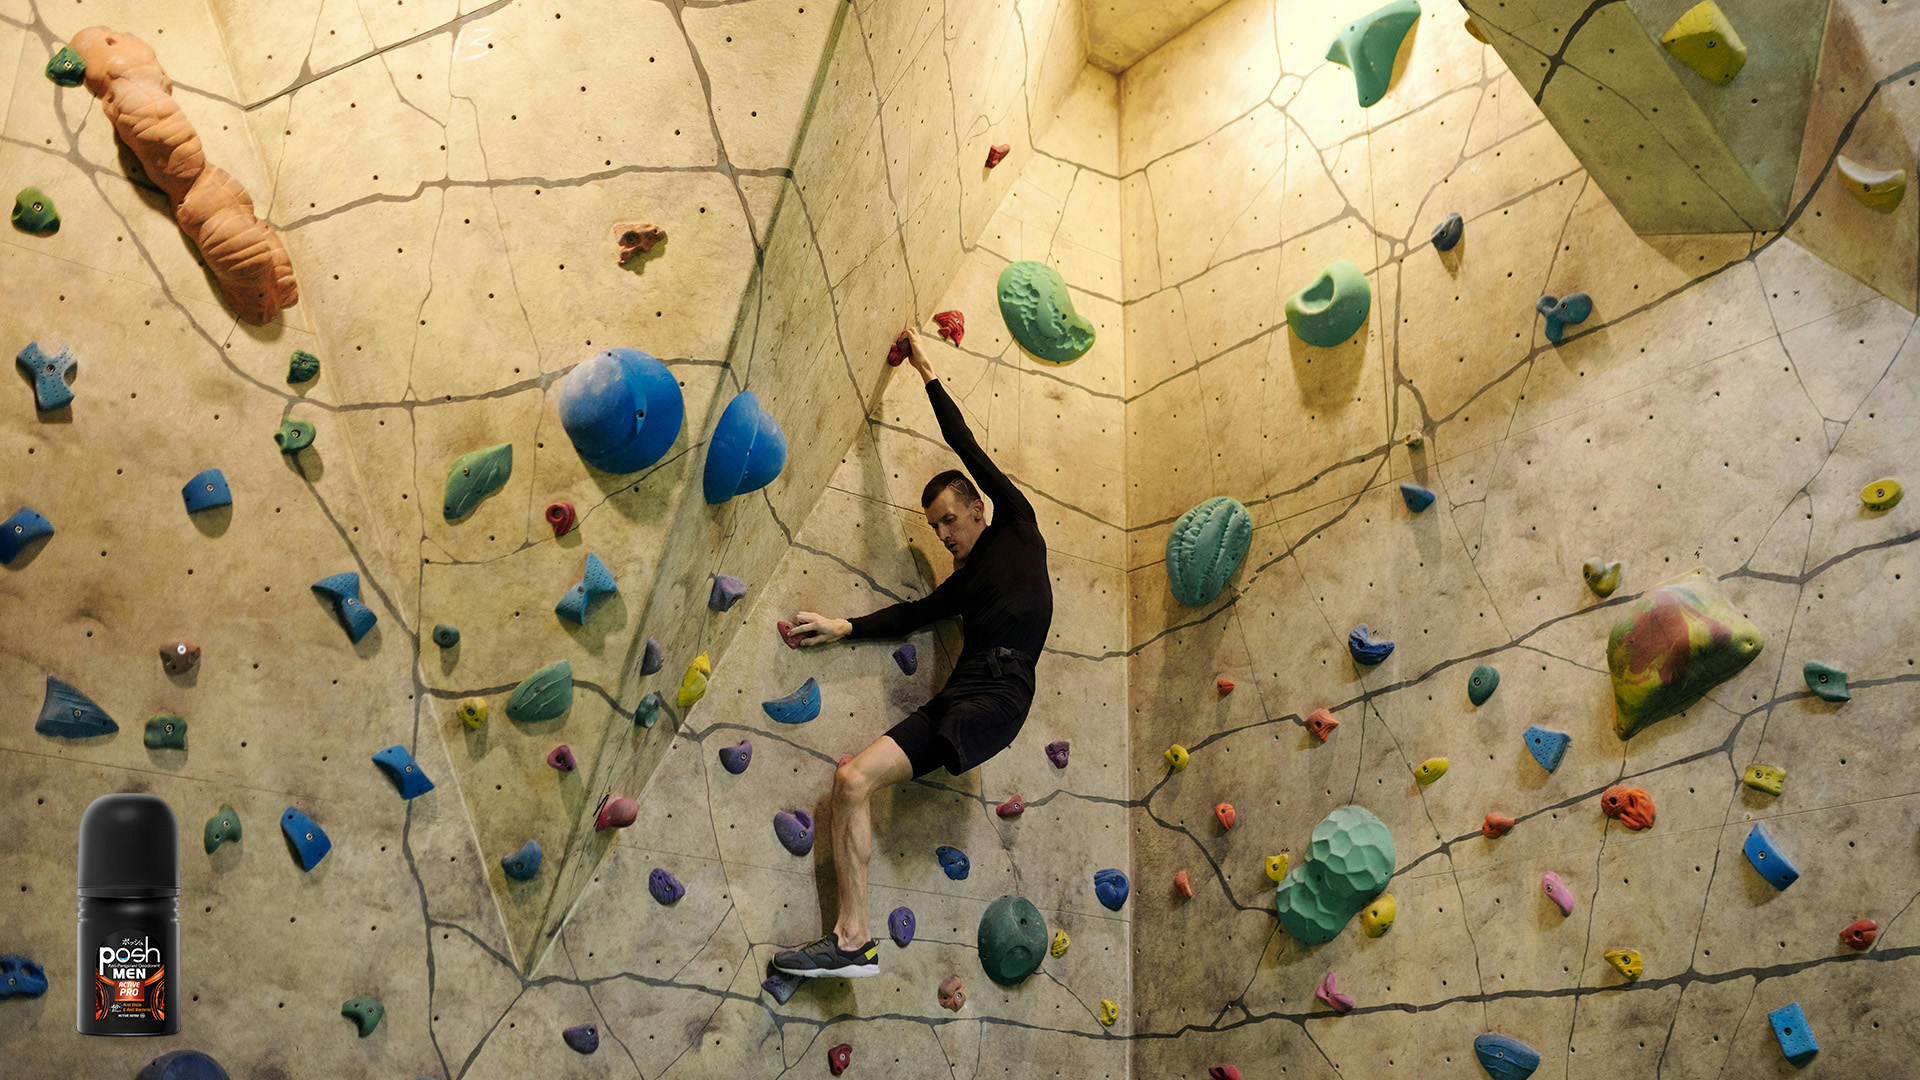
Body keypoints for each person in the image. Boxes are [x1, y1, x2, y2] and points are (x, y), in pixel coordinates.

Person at [771, 328, 1054, 979]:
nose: (943, 533)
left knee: (868, 774)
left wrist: (925, 368)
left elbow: (964, 442)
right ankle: (852, 941)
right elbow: (911, 615)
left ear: (977, 509)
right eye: (934, 527)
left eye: (949, 520)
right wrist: (841, 626)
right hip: (958, 692)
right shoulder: (961, 585)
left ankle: (852, 942)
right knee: (850, 781)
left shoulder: (1017, 525)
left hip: (1002, 694)